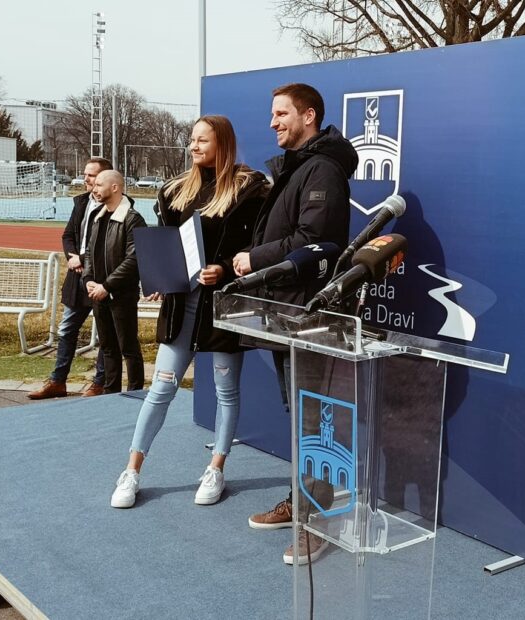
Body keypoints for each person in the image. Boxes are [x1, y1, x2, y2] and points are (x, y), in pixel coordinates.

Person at [110, 115, 269, 509]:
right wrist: (158, 278)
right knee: (161, 389)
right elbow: (166, 246)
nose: (194, 146)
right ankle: (131, 471)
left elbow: (259, 247)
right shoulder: (175, 190)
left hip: (226, 308)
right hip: (182, 308)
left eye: (202, 140)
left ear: (222, 143)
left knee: (226, 392)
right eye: (192, 139)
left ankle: (216, 468)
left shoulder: (250, 188)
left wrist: (226, 267)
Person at [234, 83, 357, 564]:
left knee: (314, 423)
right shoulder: (299, 166)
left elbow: (315, 240)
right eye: (272, 114)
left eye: (281, 114)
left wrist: (256, 258)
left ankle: (318, 522)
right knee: (302, 418)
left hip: (310, 317)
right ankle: (301, 503)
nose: (272, 122)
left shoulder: (323, 169)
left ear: (309, 116)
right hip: (286, 313)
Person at [28, 158, 109, 399]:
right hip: (77, 278)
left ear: (105, 178)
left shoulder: (118, 205)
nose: (86, 179)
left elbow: (108, 244)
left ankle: (99, 383)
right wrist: (73, 257)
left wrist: (82, 258)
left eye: (91, 175)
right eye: (85, 174)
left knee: (106, 335)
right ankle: (58, 382)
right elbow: (68, 235)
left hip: (102, 280)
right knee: (67, 330)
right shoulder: (81, 202)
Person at [81, 170, 146, 395]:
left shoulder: (132, 219)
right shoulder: (97, 216)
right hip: (98, 293)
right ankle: (111, 394)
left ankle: (135, 393)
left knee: (128, 347)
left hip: (121, 295)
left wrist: (107, 286)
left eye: (99, 184)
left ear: (115, 187)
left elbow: (134, 259)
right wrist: (88, 279)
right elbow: (89, 252)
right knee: (108, 347)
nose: (94, 188)